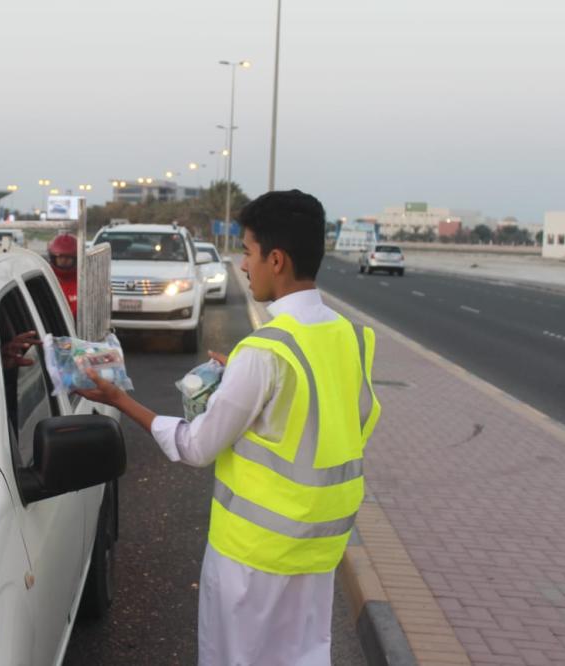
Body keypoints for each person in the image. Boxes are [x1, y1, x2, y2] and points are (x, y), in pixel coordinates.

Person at [75, 190, 381, 666]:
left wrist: (121, 400)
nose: (243, 264)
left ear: (276, 260)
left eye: (248, 251)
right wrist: (244, 377)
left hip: (252, 560)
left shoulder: (266, 352)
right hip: (318, 552)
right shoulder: (351, 336)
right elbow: (328, 416)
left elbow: (196, 447)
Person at [47, 233, 78, 318]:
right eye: (60, 257)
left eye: (68, 258)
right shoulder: (46, 279)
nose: (64, 261)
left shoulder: (83, 281)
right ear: (53, 258)